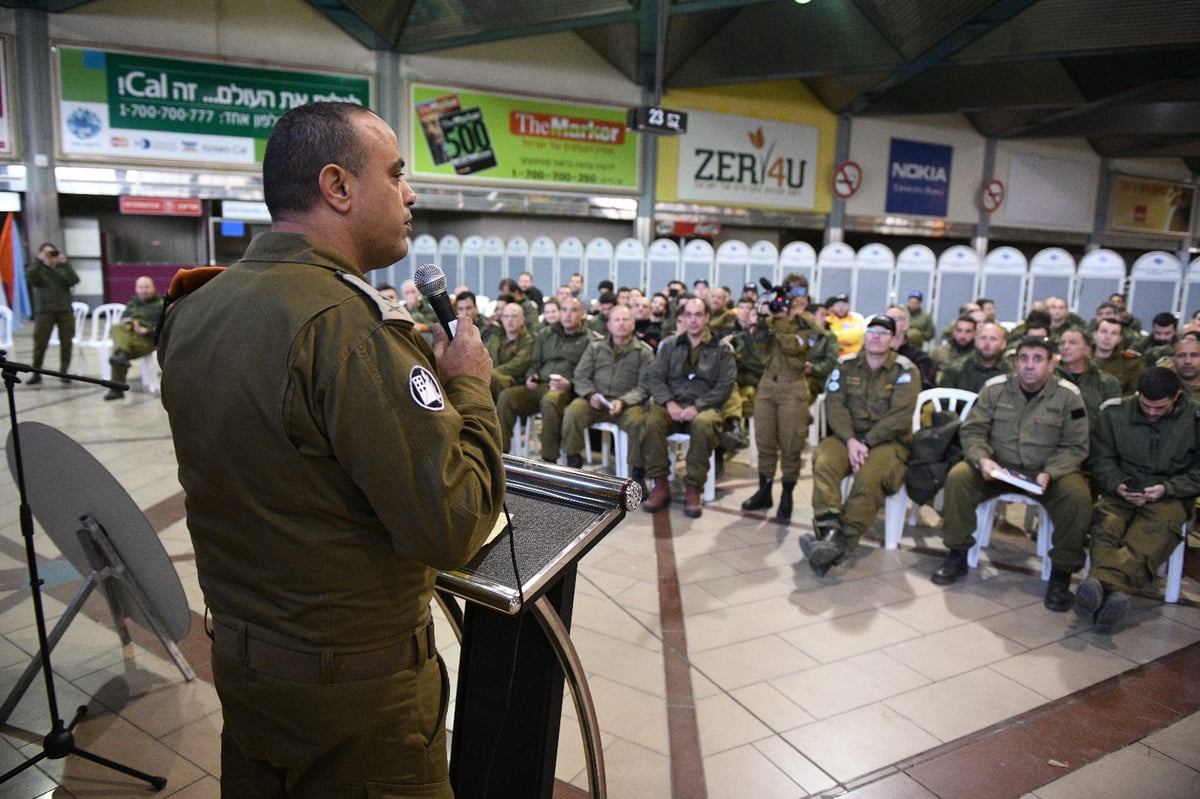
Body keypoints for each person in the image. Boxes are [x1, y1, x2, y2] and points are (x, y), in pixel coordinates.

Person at [157, 101, 504, 798]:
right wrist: (468, 387)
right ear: (338, 187)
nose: (410, 195)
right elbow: (452, 524)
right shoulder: (345, 328)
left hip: (250, 672)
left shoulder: (197, 307)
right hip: (357, 706)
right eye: (397, 175)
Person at [931, 336, 1090, 612]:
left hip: (1046, 473)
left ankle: (1061, 575)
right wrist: (983, 459)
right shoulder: (995, 389)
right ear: (1015, 361)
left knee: (1077, 497)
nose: (1029, 365)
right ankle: (956, 553)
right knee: (958, 478)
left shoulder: (1068, 396)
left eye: (1037, 359)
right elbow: (973, 430)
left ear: (1051, 363)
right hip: (998, 468)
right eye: (1023, 358)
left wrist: (1051, 472)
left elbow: (1076, 446)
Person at [1078, 367, 1200, 633]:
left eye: (1160, 408)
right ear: (1138, 395)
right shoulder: (1115, 412)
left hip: (1170, 495)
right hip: (1123, 489)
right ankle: (1113, 596)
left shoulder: (1195, 418)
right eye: (1146, 406)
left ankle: (1101, 585)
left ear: (1176, 397)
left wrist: (1167, 488)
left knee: (1148, 536)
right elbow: (1102, 458)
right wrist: (1117, 484)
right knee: (1106, 526)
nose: (1152, 413)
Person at [801, 315, 919, 575]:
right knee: (824, 458)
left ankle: (842, 541)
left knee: (869, 477)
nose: (876, 336)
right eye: (872, 331)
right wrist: (852, 440)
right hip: (848, 437)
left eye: (883, 332)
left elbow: (899, 416)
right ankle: (829, 526)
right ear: (865, 336)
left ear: (893, 339)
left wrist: (867, 441)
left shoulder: (905, 370)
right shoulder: (845, 365)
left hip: (889, 442)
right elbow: (835, 405)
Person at [640, 297, 736, 518]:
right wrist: (669, 403)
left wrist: (698, 406)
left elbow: (725, 386)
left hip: (705, 405)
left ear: (707, 318)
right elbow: (655, 378)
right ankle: (660, 483)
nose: (693, 320)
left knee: (703, 425)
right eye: (689, 315)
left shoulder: (721, 349)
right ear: (682, 318)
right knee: (651, 421)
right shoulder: (670, 345)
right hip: (672, 403)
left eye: (698, 315)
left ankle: (693, 487)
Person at [739, 287, 814, 521]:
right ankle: (765, 490)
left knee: (791, 444)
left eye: (798, 299)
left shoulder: (808, 323)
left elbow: (795, 347)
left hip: (793, 387)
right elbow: (758, 345)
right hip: (767, 385)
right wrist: (759, 320)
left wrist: (780, 321)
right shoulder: (771, 320)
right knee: (765, 441)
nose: (793, 303)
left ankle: (787, 495)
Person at [561, 305, 654, 482]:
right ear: (609, 325)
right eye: (616, 320)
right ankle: (573, 461)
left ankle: (637, 472)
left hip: (628, 404)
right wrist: (590, 394)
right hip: (596, 399)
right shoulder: (596, 347)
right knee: (573, 411)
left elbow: (645, 386)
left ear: (633, 324)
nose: (621, 324)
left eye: (625, 320)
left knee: (638, 422)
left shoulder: (644, 352)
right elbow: (580, 375)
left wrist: (624, 401)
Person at [496, 296, 593, 461]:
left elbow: (588, 373)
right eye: (564, 310)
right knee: (507, 397)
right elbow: (535, 362)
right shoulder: (546, 334)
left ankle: (549, 459)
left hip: (569, 389)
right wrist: (530, 377)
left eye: (573, 310)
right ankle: (500, 454)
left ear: (583, 314)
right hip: (541, 384)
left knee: (550, 400)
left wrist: (570, 384)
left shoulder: (589, 339)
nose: (568, 315)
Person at [25, 241, 80, 383]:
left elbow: (74, 280)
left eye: (52, 253)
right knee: (40, 343)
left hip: (64, 311)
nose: (50, 256)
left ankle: (64, 372)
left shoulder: (62, 269)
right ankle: (36, 372)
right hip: (45, 312)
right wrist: (39, 260)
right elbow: (30, 278)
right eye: (46, 253)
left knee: (66, 342)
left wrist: (65, 263)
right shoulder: (39, 271)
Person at [104, 276, 164, 400]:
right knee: (116, 328)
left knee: (118, 352)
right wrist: (128, 324)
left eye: (147, 287)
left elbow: (165, 328)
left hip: (147, 340)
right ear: (136, 289)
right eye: (141, 287)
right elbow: (124, 318)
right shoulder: (133, 303)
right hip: (129, 336)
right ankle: (122, 356)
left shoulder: (161, 305)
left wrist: (146, 331)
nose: (144, 290)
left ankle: (116, 389)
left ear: (153, 288)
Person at [1053, 327, 1120, 432]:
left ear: (1087, 349)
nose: (1066, 347)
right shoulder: (1048, 378)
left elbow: (1112, 421)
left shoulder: (1106, 382)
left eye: (1073, 343)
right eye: (1062, 343)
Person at [939, 321, 1009, 392]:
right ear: (975, 341)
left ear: (1003, 344)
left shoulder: (1010, 373)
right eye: (983, 338)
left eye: (993, 338)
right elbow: (942, 400)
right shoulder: (955, 369)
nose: (987, 343)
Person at [485, 301, 535, 399]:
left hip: (515, 380)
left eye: (514, 316)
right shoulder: (495, 337)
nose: (510, 320)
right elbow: (484, 356)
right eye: (506, 316)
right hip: (492, 376)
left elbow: (518, 365)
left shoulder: (529, 340)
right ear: (502, 319)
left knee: (493, 378)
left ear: (522, 320)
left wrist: (490, 372)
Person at [885, 305, 936, 389]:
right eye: (886, 319)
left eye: (895, 319)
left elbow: (927, 390)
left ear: (906, 325)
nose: (889, 323)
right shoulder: (874, 354)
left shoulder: (921, 359)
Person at [1094, 317, 1143, 395]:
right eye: (1104, 332)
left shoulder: (1130, 363)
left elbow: (1131, 394)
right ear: (1095, 334)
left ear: (1119, 339)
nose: (1108, 337)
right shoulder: (1080, 358)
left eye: (1114, 333)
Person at [1170, 335, 1200, 402]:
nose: (1187, 361)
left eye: (1194, 355)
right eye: (1181, 356)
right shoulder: (1164, 384)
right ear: (1173, 360)